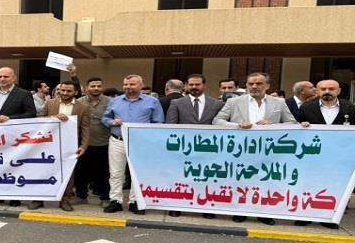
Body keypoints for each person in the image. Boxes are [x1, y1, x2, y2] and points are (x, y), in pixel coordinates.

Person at [213, 72, 297, 226]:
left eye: (258, 83)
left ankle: (263, 214)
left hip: (269, 151)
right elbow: (217, 121)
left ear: (267, 86)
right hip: (241, 150)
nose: (254, 86)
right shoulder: (234, 102)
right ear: (246, 85)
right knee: (241, 182)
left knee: (266, 182)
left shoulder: (279, 102)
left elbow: (292, 123)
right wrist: (237, 125)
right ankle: (240, 212)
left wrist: (273, 125)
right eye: (250, 83)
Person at [294, 79, 355, 228]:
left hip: (339, 155)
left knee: (334, 186)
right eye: (323, 89)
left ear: (339, 91)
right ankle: (304, 216)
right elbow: (296, 128)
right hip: (312, 154)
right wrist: (301, 125)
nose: (327, 91)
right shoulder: (306, 107)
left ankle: (328, 218)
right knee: (308, 184)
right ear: (317, 91)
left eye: (331, 88)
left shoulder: (351, 108)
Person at [101, 74, 164, 215]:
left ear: (141, 85)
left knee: (137, 172)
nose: (128, 87)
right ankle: (115, 201)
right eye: (126, 84)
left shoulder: (152, 101)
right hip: (118, 140)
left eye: (132, 84)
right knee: (116, 173)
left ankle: (135, 202)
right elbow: (105, 118)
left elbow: (158, 122)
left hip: (141, 142)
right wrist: (112, 122)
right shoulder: (115, 101)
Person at [165, 74, 224, 219]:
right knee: (180, 178)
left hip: (208, 149)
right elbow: (170, 126)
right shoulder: (176, 103)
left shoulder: (217, 104)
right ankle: (176, 206)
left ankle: (207, 208)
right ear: (186, 86)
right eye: (191, 85)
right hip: (183, 149)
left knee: (206, 179)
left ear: (204, 85)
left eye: (197, 84)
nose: (194, 87)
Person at [29, 81, 90, 212]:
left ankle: (65, 200)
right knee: (43, 171)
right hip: (49, 144)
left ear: (76, 92)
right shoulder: (50, 103)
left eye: (68, 91)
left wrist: (83, 146)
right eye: (62, 90)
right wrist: (53, 117)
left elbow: (85, 129)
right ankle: (38, 199)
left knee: (68, 173)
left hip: (70, 145)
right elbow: (39, 119)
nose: (65, 93)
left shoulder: (83, 108)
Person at [0, 67, 37, 206]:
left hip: (15, 138)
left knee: (14, 167)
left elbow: (31, 113)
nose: (2, 79)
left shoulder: (24, 94)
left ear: (14, 78)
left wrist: (10, 118)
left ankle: (14, 197)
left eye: (6, 76)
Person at [74, 77, 112, 208]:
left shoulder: (110, 102)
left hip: (104, 142)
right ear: (86, 88)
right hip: (83, 144)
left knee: (103, 173)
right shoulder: (79, 102)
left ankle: (105, 197)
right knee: (81, 171)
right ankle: (81, 196)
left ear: (102, 87)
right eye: (93, 86)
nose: (96, 88)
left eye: (99, 86)